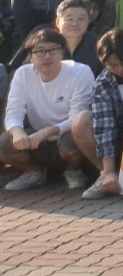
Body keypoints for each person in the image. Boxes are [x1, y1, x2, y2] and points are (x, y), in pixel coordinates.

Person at [1, 29, 94, 191]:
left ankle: (73, 170)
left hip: (67, 134)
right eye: (40, 51)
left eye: (53, 50)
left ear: (62, 52)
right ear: (30, 56)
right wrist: (18, 133)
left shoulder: (81, 72)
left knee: (74, 140)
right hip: (36, 137)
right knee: (3, 144)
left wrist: (46, 132)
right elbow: (13, 113)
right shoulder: (22, 74)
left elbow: (77, 117)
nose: (47, 56)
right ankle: (35, 172)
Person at [71, 29, 123, 199]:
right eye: (113, 65)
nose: (121, 69)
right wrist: (109, 171)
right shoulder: (102, 84)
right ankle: (108, 176)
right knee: (81, 122)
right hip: (121, 139)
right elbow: (105, 129)